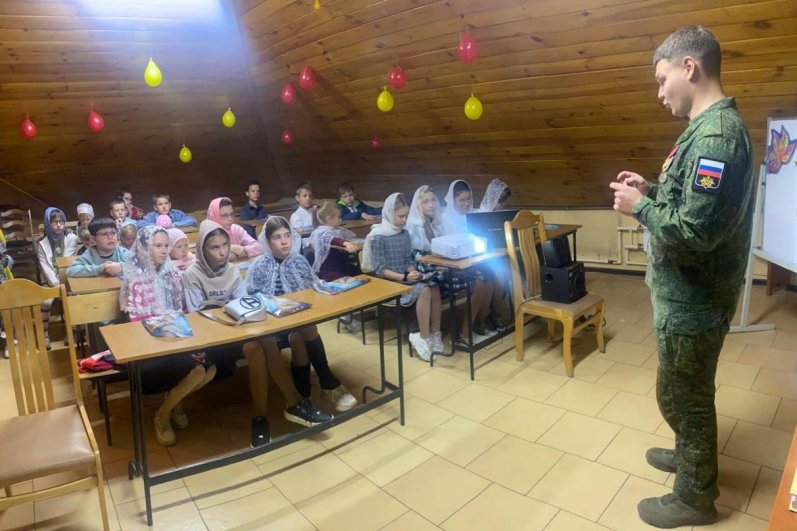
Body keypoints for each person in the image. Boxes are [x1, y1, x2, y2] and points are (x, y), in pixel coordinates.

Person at [609, 26, 754, 529]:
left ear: (689, 67)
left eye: (661, 78)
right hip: (686, 294)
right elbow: (693, 204)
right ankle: (690, 458)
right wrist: (650, 189)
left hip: (694, 299)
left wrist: (639, 207)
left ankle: (695, 498)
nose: (659, 92)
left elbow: (697, 230)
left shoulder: (716, 136)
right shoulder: (707, 127)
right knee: (680, 392)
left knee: (686, 399)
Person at [183, 220, 328, 443]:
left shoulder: (232, 270)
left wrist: (235, 312)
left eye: (225, 245)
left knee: (260, 343)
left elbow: (245, 304)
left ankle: (264, 415)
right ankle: (291, 404)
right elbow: (197, 315)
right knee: (258, 344)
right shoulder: (192, 274)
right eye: (214, 247)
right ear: (202, 249)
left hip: (238, 332)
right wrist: (230, 311)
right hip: (213, 339)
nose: (222, 252)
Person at [247, 216, 357, 412]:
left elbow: (313, 287)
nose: (284, 241)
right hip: (271, 325)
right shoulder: (259, 265)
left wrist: (333, 287)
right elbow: (253, 297)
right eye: (277, 237)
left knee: (301, 334)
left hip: (298, 321)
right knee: (304, 330)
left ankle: (305, 395)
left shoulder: (298, 260)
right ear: (268, 241)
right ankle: (326, 382)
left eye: (287, 235)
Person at [119, 225, 216, 447]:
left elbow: (185, 310)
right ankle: (162, 416)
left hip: (178, 338)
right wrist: (167, 329)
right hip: (151, 346)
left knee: (210, 369)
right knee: (197, 371)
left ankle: (172, 402)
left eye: (166, 245)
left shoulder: (174, 274)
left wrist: (182, 331)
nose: (164, 250)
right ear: (144, 247)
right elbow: (136, 323)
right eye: (157, 246)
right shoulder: (135, 279)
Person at [362, 192, 442, 361]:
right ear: (389, 213)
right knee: (425, 290)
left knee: (434, 287)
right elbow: (380, 269)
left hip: (405, 279)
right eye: (400, 217)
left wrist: (412, 272)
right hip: (389, 284)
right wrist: (403, 277)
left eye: (406, 216)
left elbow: (408, 259)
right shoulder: (378, 236)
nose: (404, 220)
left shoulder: (404, 233)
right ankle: (424, 337)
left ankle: (436, 333)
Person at [441, 180, 496, 342]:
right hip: (452, 268)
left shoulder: (472, 216)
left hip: (471, 263)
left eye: (469, 199)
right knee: (479, 284)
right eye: (462, 200)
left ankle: (480, 320)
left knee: (491, 278)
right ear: (452, 200)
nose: (466, 204)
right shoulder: (444, 220)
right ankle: (464, 332)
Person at [308, 201, 360, 282]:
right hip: (330, 271)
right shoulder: (321, 232)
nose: (341, 220)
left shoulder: (335, 229)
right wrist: (345, 243)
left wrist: (349, 242)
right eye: (338, 217)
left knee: (358, 272)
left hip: (341, 267)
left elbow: (350, 237)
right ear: (329, 219)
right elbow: (332, 239)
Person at [37, 207, 78, 288]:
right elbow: (45, 265)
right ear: (48, 223)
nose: (59, 225)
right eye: (55, 222)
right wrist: (55, 283)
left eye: (61, 221)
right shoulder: (41, 243)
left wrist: (61, 280)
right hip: (50, 279)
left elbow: (66, 261)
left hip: (67, 275)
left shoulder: (71, 238)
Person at [289, 182, 316, 248]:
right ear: (297, 198)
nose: (308, 198)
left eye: (310, 196)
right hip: (305, 246)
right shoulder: (295, 215)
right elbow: (300, 232)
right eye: (304, 196)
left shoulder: (314, 211)